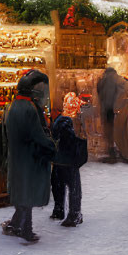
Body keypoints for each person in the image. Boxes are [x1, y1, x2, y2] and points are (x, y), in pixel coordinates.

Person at [2, 69, 56, 243]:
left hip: (16, 155)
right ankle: (26, 229)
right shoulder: (29, 109)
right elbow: (37, 135)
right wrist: (52, 145)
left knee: (21, 190)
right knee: (28, 192)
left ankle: (16, 224)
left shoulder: (11, 106)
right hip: (29, 157)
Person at [50, 92, 87, 227]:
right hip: (68, 160)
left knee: (59, 185)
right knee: (73, 187)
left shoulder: (62, 120)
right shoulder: (69, 120)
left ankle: (62, 210)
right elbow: (75, 140)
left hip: (62, 159)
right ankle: (73, 213)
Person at [96, 66, 123, 162]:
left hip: (106, 108)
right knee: (114, 129)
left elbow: (99, 91)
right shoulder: (118, 81)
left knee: (108, 129)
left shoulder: (102, 80)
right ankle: (114, 149)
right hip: (115, 108)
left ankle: (111, 149)